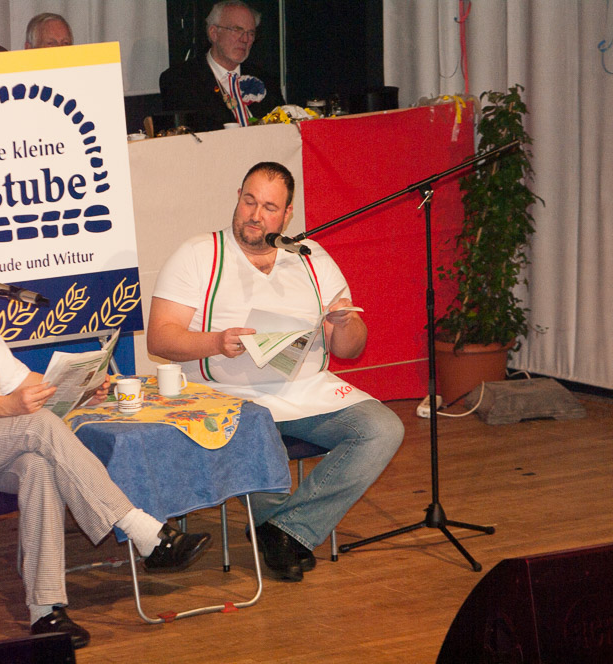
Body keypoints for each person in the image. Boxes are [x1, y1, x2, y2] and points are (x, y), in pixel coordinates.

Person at [0, 207, 211, 649]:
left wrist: (81, 388)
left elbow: (16, 378)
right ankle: (146, 532)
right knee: (35, 427)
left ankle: (46, 611)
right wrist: (7, 407)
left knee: (38, 467)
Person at [147, 162, 404, 582]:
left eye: (269, 207)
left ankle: (284, 529)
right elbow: (159, 338)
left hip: (306, 391)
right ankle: (288, 535)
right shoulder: (199, 254)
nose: (255, 215)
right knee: (257, 434)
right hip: (228, 397)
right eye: (249, 201)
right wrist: (216, 342)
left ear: (287, 214)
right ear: (237, 197)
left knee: (383, 429)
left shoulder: (311, 257)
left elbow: (350, 348)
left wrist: (346, 322)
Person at [159, 0, 284, 132]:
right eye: (237, 30)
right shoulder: (180, 80)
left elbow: (284, 127)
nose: (245, 39)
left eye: (251, 33)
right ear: (214, 33)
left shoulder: (265, 80)